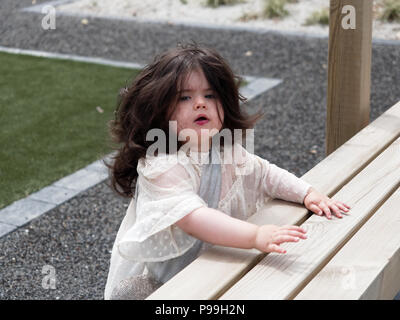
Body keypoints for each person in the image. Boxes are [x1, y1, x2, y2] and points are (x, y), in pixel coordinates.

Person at [103, 42, 351, 300]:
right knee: (131, 293)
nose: (200, 104)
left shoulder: (224, 150)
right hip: (172, 283)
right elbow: (192, 218)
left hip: (216, 267)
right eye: (184, 97)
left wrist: (306, 193)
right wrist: (255, 235)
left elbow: (265, 174)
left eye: (210, 96)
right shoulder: (162, 164)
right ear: (159, 110)